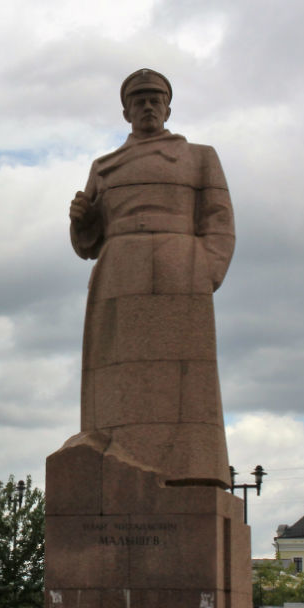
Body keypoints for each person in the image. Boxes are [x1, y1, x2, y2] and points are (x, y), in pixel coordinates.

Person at [66, 69, 235, 487]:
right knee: (115, 376)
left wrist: (205, 268)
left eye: (155, 98)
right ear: (125, 111)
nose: (147, 106)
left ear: (168, 107)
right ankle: (116, 457)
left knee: (185, 383)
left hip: (181, 265)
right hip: (119, 268)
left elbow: (219, 218)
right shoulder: (104, 167)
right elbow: (89, 242)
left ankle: (188, 470)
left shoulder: (199, 156)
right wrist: (81, 221)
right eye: (138, 99)